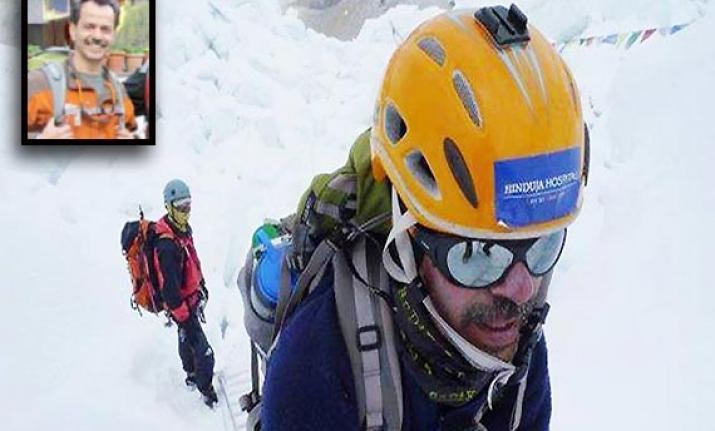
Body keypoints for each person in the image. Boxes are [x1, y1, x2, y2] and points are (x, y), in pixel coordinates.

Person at [260, 5, 589, 430]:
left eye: (543, 245)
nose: (522, 289)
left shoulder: (514, 338)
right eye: (477, 254)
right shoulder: (314, 373)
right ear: (408, 240)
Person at [27, 0, 137, 140]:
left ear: (113, 35)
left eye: (105, 29)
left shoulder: (119, 92)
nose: (97, 36)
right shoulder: (39, 84)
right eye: (89, 27)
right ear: (72, 30)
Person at [156, 179, 218, 408]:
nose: (186, 212)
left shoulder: (180, 231)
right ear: (169, 207)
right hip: (181, 306)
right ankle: (206, 390)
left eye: (188, 205)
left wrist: (201, 285)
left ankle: (191, 374)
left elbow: (191, 262)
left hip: (188, 300)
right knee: (205, 352)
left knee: (185, 337)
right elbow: (170, 290)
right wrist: (184, 317)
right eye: (181, 207)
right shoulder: (166, 246)